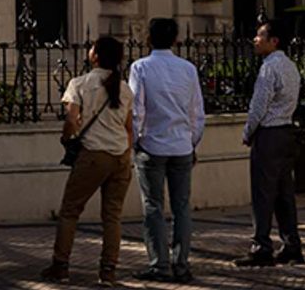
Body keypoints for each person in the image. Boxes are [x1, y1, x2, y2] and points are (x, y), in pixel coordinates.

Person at [42, 35, 134, 287]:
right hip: (120, 156)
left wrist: (66, 138)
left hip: (93, 155)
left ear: (95, 55)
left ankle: (60, 266)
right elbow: (129, 127)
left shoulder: (80, 83)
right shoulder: (124, 88)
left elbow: (72, 120)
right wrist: (127, 151)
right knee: (112, 217)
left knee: (70, 211)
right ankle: (108, 271)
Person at [130, 17, 206, 283]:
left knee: (153, 207)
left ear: (148, 39)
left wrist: (136, 141)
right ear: (175, 40)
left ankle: (159, 264)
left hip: (152, 145)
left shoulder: (140, 67)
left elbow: (136, 110)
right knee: (182, 207)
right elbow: (197, 113)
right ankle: (181, 264)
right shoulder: (187, 69)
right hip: (181, 145)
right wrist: (192, 141)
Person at [236, 18, 304, 268]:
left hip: (269, 135)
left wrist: (247, 131)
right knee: (284, 193)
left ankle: (261, 246)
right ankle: (291, 244)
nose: (256, 39)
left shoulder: (269, 68)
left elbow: (258, 106)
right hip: (286, 132)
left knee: (263, 193)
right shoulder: (291, 67)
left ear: (273, 41)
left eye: (260, 36)